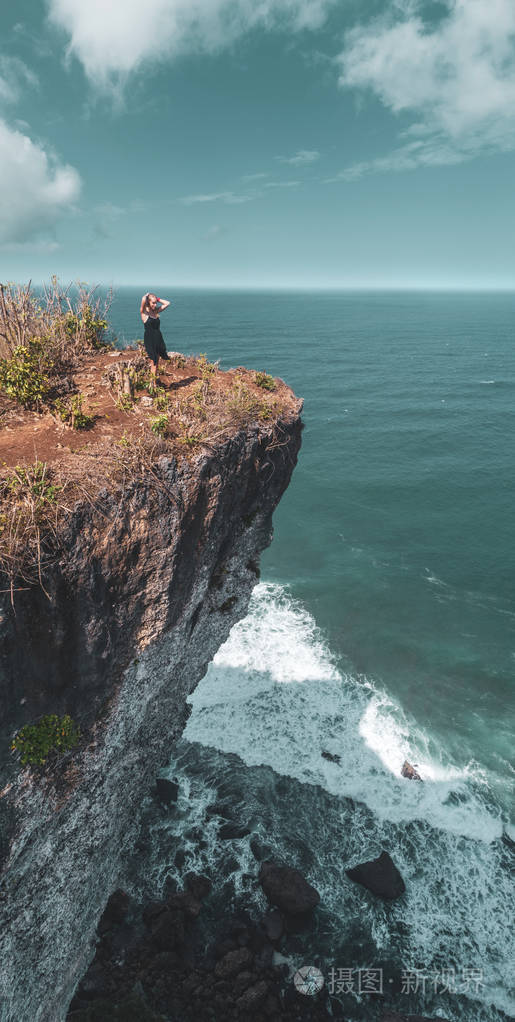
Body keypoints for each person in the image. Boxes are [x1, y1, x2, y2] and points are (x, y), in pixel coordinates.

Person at [140, 292, 171, 383]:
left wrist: (157, 299)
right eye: (153, 303)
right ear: (148, 302)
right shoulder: (144, 313)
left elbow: (167, 303)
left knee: (156, 361)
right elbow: (142, 300)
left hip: (158, 338)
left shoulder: (155, 311)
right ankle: (152, 384)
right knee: (153, 361)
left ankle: (154, 381)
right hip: (150, 339)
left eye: (155, 302)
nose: (155, 304)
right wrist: (146, 296)